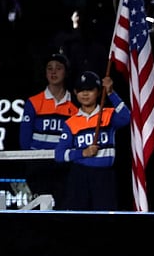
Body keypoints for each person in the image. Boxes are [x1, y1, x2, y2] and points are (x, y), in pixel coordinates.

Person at [55, 71, 131, 211]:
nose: (85, 94)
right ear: (75, 93)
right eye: (81, 90)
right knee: (79, 216)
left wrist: (111, 93)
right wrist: (82, 153)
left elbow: (126, 118)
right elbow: (59, 155)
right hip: (80, 176)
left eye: (90, 89)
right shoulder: (71, 122)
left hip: (104, 176)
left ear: (98, 92)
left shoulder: (108, 115)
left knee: (104, 217)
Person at [19, 53, 77, 204]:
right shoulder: (34, 102)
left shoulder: (75, 105)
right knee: (39, 208)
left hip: (63, 165)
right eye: (49, 68)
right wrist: (31, 161)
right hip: (38, 166)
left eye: (58, 68)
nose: (53, 72)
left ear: (66, 72)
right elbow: (24, 138)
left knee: (63, 207)